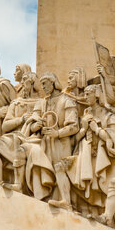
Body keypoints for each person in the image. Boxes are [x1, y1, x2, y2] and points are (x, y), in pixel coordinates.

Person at [0, 72, 55, 199]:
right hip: (13, 136)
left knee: (21, 149)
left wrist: (35, 125)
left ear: (33, 83)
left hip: (31, 138)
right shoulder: (16, 103)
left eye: (25, 81)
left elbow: (39, 124)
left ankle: (18, 184)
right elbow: (5, 126)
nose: (22, 84)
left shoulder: (41, 102)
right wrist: (21, 120)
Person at [66, 84, 115, 217]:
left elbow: (114, 139)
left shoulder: (108, 116)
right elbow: (75, 140)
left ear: (97, 95)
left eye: (89, 94)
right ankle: (93, 213)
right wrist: (83, 129)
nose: (85, 96)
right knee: (90, 186)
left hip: (107, 156)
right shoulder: (86, 115)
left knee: (112, 187)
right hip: (88, 154)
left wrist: (96, 129)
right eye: (85, 93)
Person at [29, 72, 79, 210]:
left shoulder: (66, 100)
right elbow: (32, 125)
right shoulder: (42, 103)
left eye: (45, 83)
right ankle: (44, 198)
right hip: (45, 142)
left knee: (59, 168)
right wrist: (36, 125)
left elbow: (74, 126)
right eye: (41, 84)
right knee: (46, 169)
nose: (43, 87)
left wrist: (57, 133)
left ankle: (66, 201)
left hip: (61, 142)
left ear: (53, 82)